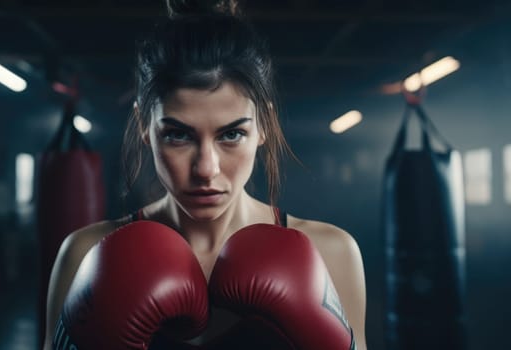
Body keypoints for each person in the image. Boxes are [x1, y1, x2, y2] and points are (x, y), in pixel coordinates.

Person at [43, 0, 367, 349]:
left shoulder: (331, 253)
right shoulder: (86, 255)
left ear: (263, 127)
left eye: (231, 134)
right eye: (178, 135)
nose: (206, 169)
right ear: (143, 127)